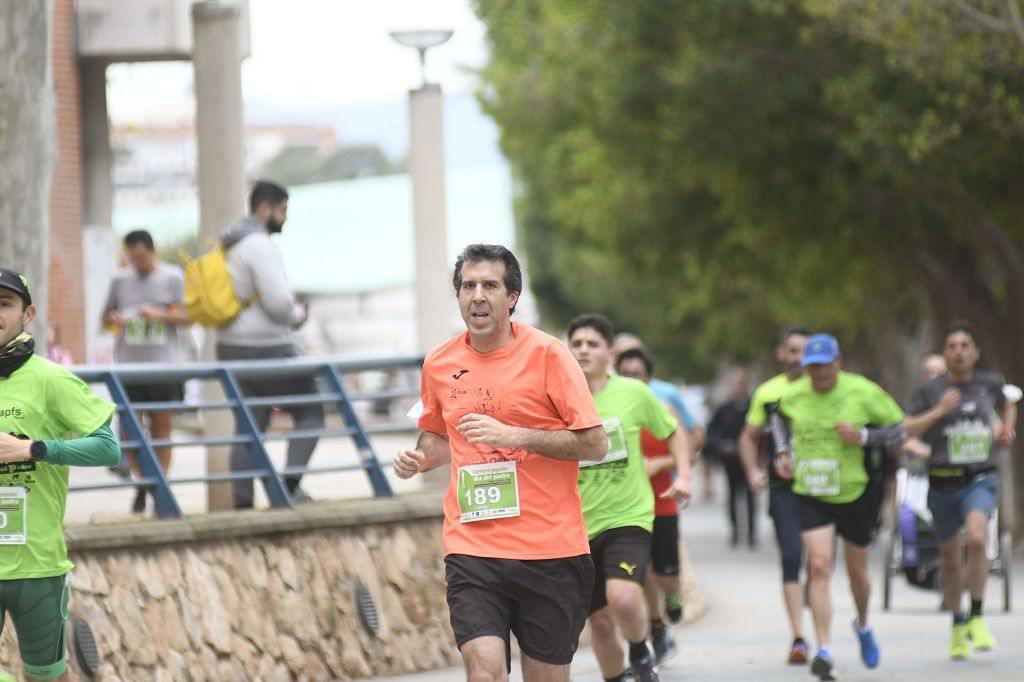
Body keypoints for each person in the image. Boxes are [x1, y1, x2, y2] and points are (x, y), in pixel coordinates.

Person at [393, 244, 607, 682]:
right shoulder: (439, 363)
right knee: (484, 672)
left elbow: (594, 444)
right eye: (468, 286)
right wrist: (419, 458)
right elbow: (438, 435)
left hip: (550, 548)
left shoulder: (549, 355)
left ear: (512, 297)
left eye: (490, 285)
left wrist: (514, 436)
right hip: (473, 547)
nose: (477, 295)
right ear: (457, 296)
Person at [0, 268, 120, 681]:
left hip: (37, 567)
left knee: (47, 678)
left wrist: (33, 448)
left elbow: (109, 447)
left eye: (4, 304)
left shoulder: (51, 379)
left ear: (26, 314)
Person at [774, 333, 909, 681]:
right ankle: (825, 650)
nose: (818, 373)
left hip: (856, 493)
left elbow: (900, 429)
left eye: (824, 365)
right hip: (811, 492)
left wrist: (864, 437)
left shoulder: (862, 391)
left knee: (857, 574)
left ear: (839, 362)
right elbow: (777, 418)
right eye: (811, 366)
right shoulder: (793, 394)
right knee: (818, 567)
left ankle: (863, 624)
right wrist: (783, 453)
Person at [569, 314, 693, 682]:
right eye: (576, 344)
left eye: (592, 344)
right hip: (577, 528)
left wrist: (683, 474)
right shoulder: (556, 399)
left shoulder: (634, 393)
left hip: (628, 518)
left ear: (610, 353)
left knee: (623, 598)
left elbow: (674, 432)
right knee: (602, 626)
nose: (584, 350)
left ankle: (640, 649)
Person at [906, 321, 1016, 660]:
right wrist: (939, 412)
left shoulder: (988, 383)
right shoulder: (930, 390)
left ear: (975, 352)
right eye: (952, 346)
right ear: (945, 352)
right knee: (951, 560)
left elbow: (1008, 403)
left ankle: (978, 615)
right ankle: (957, 622)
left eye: (965, 345)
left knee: (979, 537)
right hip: (942, 480)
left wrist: (1006, 431)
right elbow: (907, 426)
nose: (959, 351)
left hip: (980, 476)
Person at [216, 180, 323, 509]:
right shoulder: (259, 245)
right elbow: (278, 303)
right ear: (266, 208)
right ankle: (289, 488)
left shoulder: (230, 244)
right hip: (266, 349)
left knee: (251, 424)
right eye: (283, 211)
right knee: (312, 410)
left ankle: (242, 502)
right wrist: (298, 315)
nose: (284, 219)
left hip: (230, 348)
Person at [737, 325, 812, 664]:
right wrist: (753, 470)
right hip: (784, 488)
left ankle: (816, 615)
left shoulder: (824, 389)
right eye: (793, 351)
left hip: (824, 489)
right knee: (792, 557)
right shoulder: (768, 392)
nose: (799, 358)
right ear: (781, 353)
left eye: (806, 351)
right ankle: (799, 637)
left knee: (820, 562)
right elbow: (747, 437)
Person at [102, 230, 190, 513]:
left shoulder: (173, 277)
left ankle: (157, 485)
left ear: (153, 252)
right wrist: (115, 319)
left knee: (161, 429)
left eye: (141, 257)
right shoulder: (119, 280)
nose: (137, 263)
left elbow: (189, 316)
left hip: (164, 366)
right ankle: (146, 482)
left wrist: (160, 315)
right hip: (129, 366)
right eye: (132, 258)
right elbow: (104, 316)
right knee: (130, 432)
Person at [614, 347, 690, 665]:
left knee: (666, 574)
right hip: (630, 508)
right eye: (626, 374)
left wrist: (659, 464)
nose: (633, 379)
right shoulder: (614, 412)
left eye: (638, 374)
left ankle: (672, 595)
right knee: (640, 572)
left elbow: (685, 449)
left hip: (662, 504)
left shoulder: (663, 410)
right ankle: (656, 629)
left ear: (649, 378)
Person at [706, 369, 756, 548]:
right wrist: (722, 445)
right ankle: (735, 532)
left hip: (749, 460)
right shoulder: (724, 408)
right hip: (731, 461)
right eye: (735, 384)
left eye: (741, 384)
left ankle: (751, 534)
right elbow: (711, 431)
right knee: (733, 496)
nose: (738, 388)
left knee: (750, 497)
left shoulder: (753, 405)